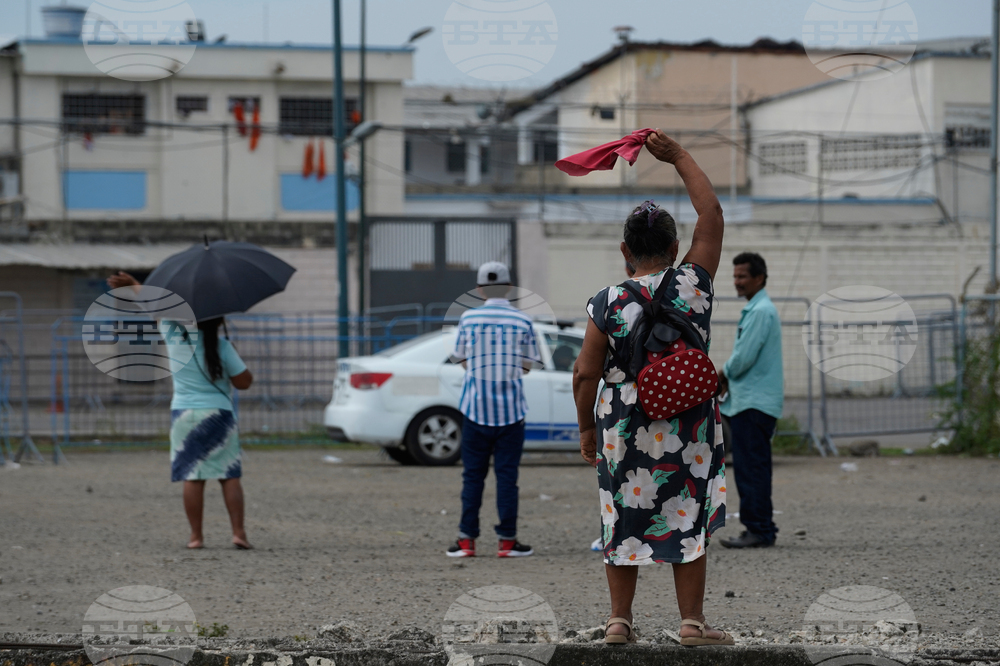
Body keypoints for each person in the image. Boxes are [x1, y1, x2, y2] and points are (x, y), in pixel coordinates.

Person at [573, 131, 733, 646]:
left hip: (622, 421)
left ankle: (620, 621)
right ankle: (691, 624)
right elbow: (711, 217)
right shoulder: (694, 285)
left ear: (625, 251)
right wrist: (680, 156)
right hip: (689, 421)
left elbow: (585, 374)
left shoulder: (607, 300)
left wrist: (585, 430)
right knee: (687, 513)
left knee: (622, 514)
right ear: (672, 247)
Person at [107, 271, 255, 550]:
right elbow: (244, 382)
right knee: (229, 475)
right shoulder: (222, 347)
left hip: (184, 415)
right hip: (219, 414)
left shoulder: (174, 338)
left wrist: (135, 286)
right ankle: (238, 533)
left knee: (192, 476)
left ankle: (196, 537)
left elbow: (156, 307)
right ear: (219, 320)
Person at [447, 261, 541, 558]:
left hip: (475, 410)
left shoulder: (468, 320)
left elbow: (459, 358)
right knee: (507, 477)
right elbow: (529, 364)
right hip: (512, 413)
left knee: (472, 477)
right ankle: (507, 542)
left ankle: (466, 541)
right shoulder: (523, 321)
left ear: (479, 289)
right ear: (510, 287)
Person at [717, 253, 784, 549]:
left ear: (760, 277)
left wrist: (723, 373)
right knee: (753, 468)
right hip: (750, 402)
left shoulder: (760, 312)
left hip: (752, 404)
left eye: (742, 276)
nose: (737, 282)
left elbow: (743, 358)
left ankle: (759, 530)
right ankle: (761, 527)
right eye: (735, 276)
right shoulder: (758, 309)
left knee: (751, 469)